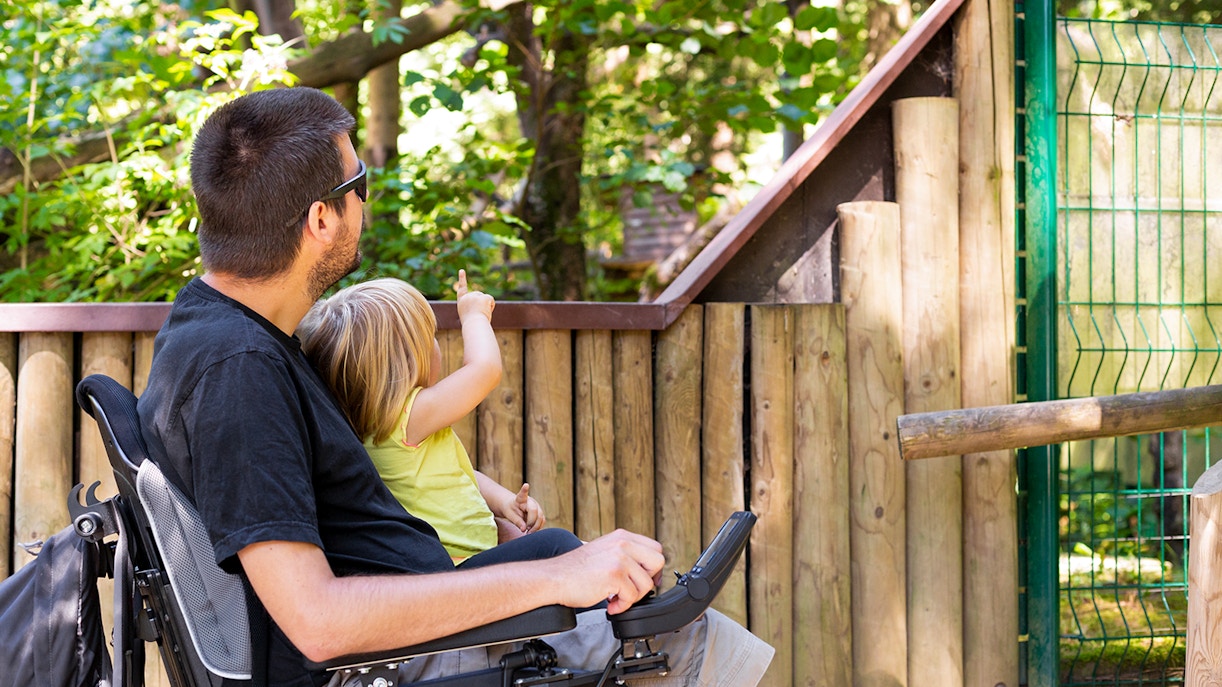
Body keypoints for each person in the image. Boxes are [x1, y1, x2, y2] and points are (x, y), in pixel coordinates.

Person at [136, 86, 773, 687]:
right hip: (405, 661)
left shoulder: (231, 338)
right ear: (322, 218)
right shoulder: (238, 372)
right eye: (359, 185)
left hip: (423, 638)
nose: (366, 201)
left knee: (641, 600)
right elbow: (319, 622)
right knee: (678, 640)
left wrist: (512, 536)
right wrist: (558, 575)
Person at [298, 272, 576, 565]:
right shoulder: (407, 418)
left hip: (463, 560)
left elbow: (461, 473)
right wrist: (474, 317)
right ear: (407, 359)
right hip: (457, 567)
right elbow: (485, 370)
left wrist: (504, 502)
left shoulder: (368, 426)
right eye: (430, 336)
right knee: (559, 545)